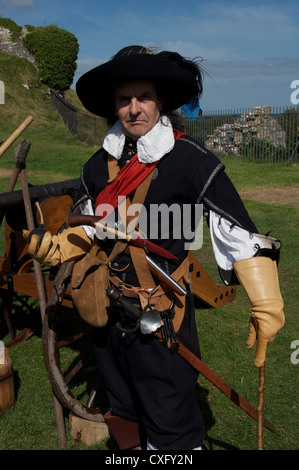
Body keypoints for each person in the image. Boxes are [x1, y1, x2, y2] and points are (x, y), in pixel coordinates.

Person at [24, 45, 285, 450]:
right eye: (123, 99)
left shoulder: (189, 160)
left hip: (162, 314)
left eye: (143, 96)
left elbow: (234, 229)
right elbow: (89, 226)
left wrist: (266, 302)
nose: (133, 108)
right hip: (109, 311)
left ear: (159, 100)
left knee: (171, 422)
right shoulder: (97, 166)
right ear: (114, 106)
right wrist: (55, 248)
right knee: (124, 409)